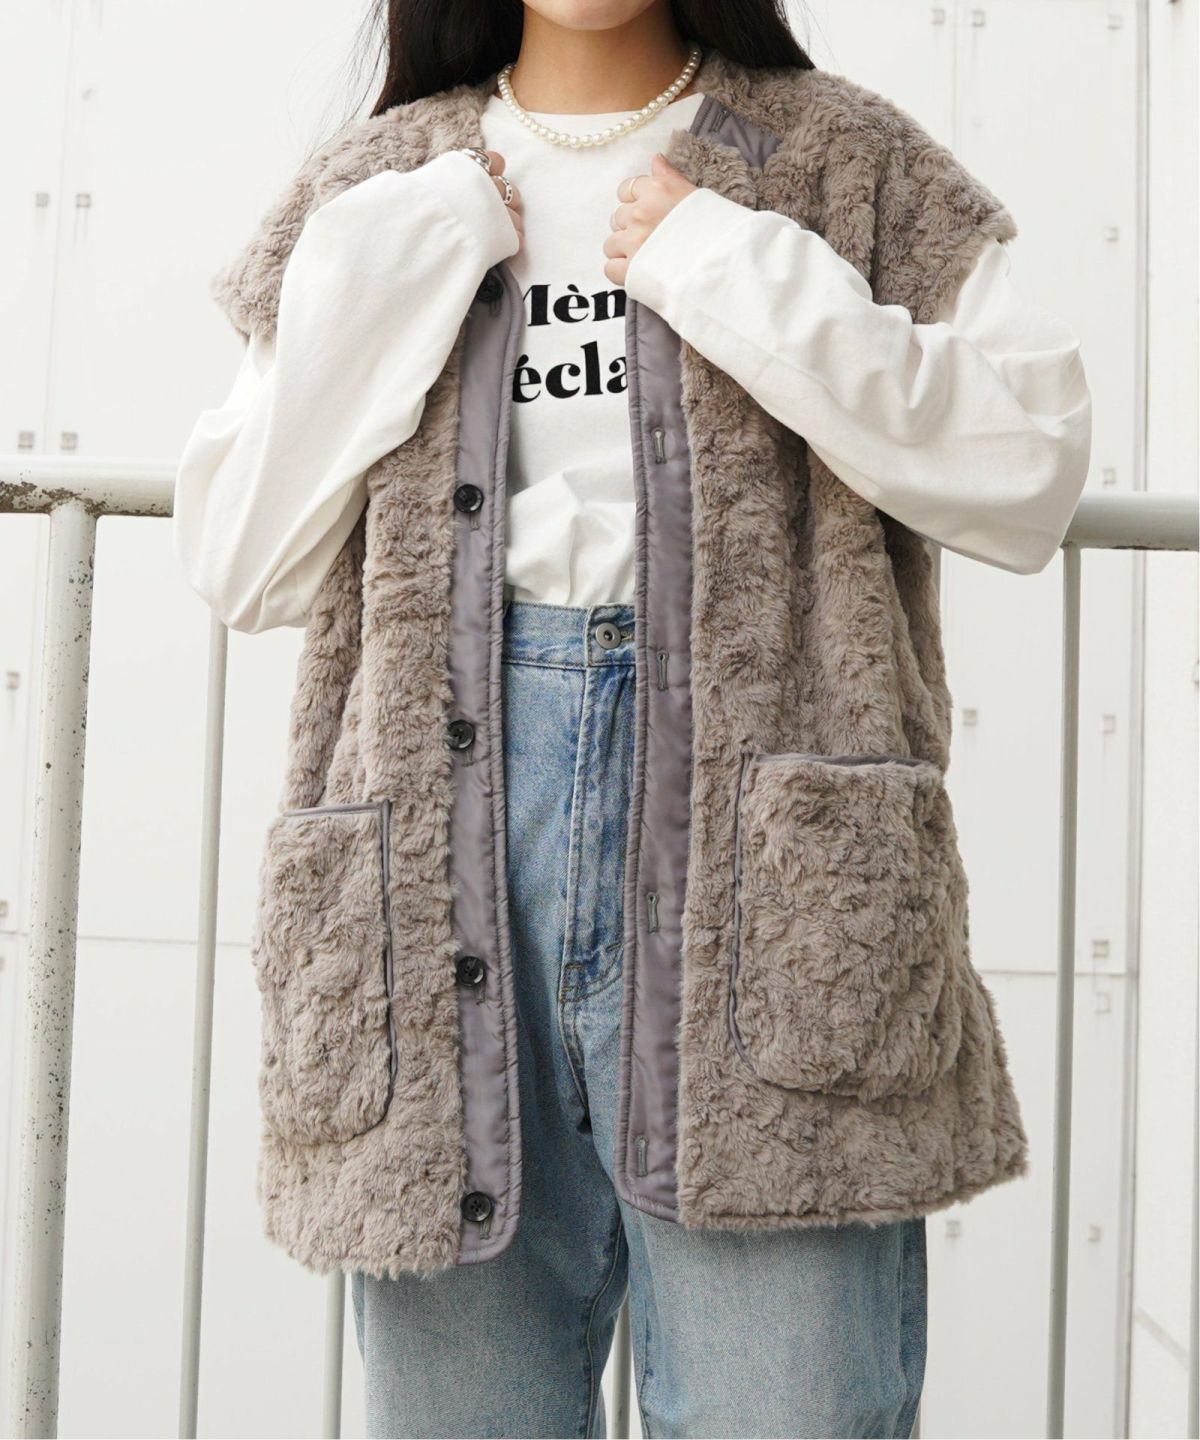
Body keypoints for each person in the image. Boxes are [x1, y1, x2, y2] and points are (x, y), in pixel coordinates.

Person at [172, 2, 1092, 1435]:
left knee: (786, 1405)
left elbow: (1029, 468)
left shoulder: (837, 158)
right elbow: (241, 559)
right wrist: (392, 275)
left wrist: (727, 264)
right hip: (441, 861)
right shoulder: (384, 182)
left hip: (769, 876)